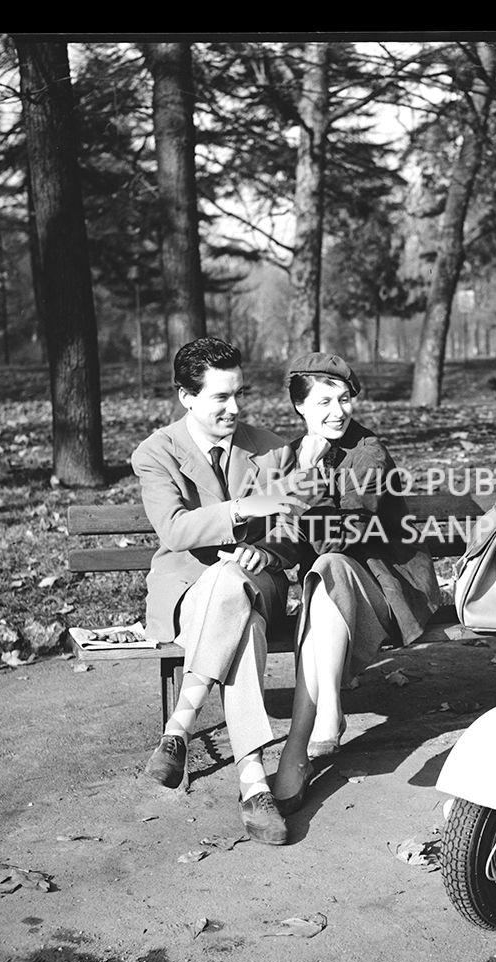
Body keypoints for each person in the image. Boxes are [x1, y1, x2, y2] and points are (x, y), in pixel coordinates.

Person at [130, 336, 307, 846]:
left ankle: (179, 728)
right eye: (220, 398)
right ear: (186, 397)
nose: (236, 408)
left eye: (239, 394)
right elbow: (176, 531)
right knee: (236, 608)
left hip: (261, 583)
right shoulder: (156, 452)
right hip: (187, 592)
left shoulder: (272, 448)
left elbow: (294, 532)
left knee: (236, 583)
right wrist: (241, 512)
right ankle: (253, 782)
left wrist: (267, 554)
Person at [265, 353, 441, 815]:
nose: (338, 411)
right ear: (300, 407)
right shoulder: (286, 456)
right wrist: (264, 550)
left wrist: (305, 481)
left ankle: (315, 726)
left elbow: (344, 534)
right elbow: (286, 535)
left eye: (344, 399)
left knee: (331, 568)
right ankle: (318, 725)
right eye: (324, 401)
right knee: (324, 579)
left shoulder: (368, 452)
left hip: (390, 588)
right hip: (328, 592)